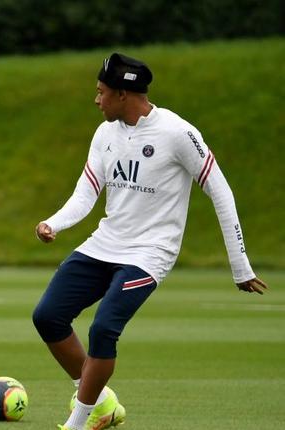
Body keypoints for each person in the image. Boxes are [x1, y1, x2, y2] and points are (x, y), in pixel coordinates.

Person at [31, 53, 268, 430]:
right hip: (104, 244)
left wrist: (240, 266)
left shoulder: (177, 133)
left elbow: (220, 192)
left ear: (123, 94)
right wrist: (53, 223)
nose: (96, 100)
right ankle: (99, 400)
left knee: (103, 328)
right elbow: (86, 193)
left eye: (101, 92)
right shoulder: (105, 133)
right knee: (47, 316)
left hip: (149, 254)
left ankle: (77, 423)